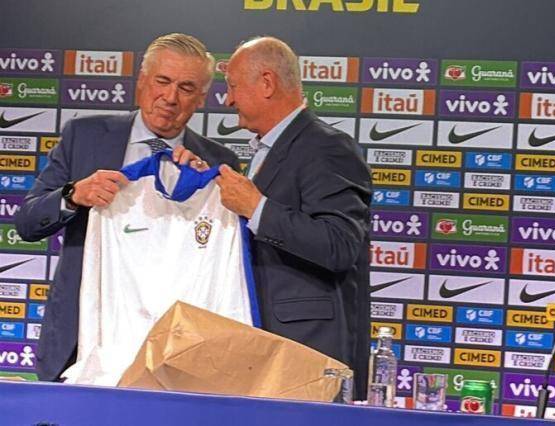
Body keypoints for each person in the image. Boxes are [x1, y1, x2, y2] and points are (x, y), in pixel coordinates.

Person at [15, 33, 240, 382]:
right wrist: (73, 194)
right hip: (81, 338)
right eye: (162, 81)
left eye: (186, 88)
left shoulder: (218, 163)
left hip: (176, 349)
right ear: (142, 81)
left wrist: (203, 189)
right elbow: (27, 223)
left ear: (201, 98)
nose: (170, 97)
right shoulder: (84, 137)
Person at [215, 36, 372, 399]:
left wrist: (257, 207)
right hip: (266, 348)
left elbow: (339, 244)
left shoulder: (326, 146)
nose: (228, 100)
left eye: (233, 86)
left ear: (267, 83)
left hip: (308, 353)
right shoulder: (269, 150)